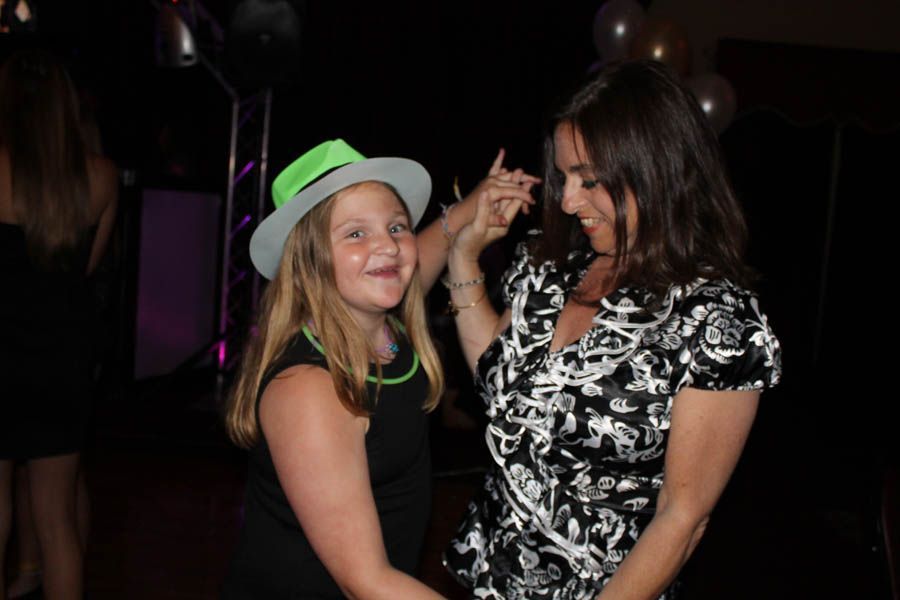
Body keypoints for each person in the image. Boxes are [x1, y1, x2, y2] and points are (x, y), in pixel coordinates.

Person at [441, 59, 782, 599]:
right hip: (487, 574)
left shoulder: (718, 322)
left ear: (656, 169)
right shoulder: (551, 267)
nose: (569, 201)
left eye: (590, 180)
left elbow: (683, 516)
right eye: (564, 177)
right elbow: (500, 375)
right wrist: (463, 258)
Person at [221, 138, 536, 599]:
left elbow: (422, 251)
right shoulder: (311, 388)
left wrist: (477, 201)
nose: (386, 247)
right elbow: (366, 581)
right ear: (310, 260)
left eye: (396, 226)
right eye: (355, 234)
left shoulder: (382, 324)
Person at [0, 48, 118, 600]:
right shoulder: (99, 176)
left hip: (3, 352)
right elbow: (87, 268)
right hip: (61, 360)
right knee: (57, 524)